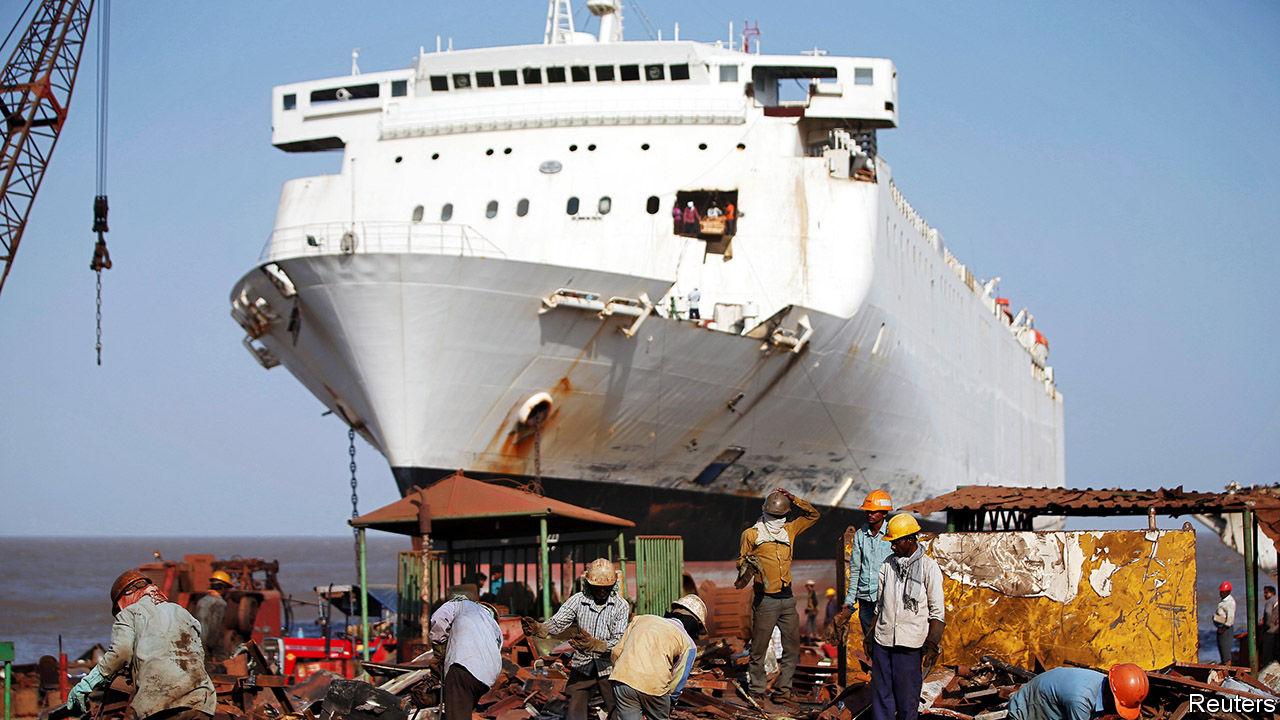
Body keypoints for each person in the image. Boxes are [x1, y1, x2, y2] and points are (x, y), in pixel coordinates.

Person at [66, 570, 215, 720]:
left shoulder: (129, 613)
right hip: (201, 700)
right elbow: (199, 653)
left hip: (163, 703)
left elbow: (121, 653)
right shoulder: (182, 612)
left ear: (124, 599)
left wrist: (88, 683)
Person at [737, 488, 820, 703]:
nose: (776, 520)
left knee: (792, 646)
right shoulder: (752, 534)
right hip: (765, 600)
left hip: (787, 599)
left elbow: (814, 515)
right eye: (773, 516)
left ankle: (783, 690)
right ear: (765, 512)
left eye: (780, 516)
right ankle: (757, 689)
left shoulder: (789, 530)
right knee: (759, 648)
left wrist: (794, 499)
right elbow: (741, 561)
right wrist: (748, 565)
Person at [522, 559, 630, 720]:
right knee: (574, 710)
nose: (602, 591)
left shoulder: (621, 606)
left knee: (618, 710)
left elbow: (620, 640)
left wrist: (597, 645)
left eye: (606, 588)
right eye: (597, 587)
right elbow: (558, 622)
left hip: (609, 667)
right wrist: (541, 628)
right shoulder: (578, 600)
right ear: (589, 584)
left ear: (613, 585)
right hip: (582, 666)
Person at [870, 514, 944, 720]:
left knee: (907, 699)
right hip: (883, 641)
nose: (892, 547)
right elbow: (879, 605)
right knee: (881, 695)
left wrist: (932, 644)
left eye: (896, 542)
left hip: (910, 644)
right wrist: (870, 636)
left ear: (910, 540)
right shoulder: (887, 565)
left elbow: (937, 611)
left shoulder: (929, 567)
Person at [609, 595, 704, 720]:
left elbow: (616, 652)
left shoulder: (641, 619)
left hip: (623, 680)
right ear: (694, 624)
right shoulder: (688, 643)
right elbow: (678, 679)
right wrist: (670, 702)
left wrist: (623, 675)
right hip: (655, 688)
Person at [836, 490, 895, 642]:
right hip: (865, 601)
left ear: (884, 514)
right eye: (868, 511)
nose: (870, 515)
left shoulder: (893, 533)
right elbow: (855, 569)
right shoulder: (860, 535)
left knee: (888, 642)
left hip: (887, 599)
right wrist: (850, 601)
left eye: (874, 512)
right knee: (871, 642)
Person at [430, 597, 503, 720]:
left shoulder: (457, 604)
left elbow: (439, 619)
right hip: (488, 677)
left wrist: (438, 645)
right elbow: (498, 647)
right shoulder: (492, 623)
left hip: (464, 668)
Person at [1007, 664, 1148, 720]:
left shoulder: (1103, 683)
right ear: (1111, 695)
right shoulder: (1080, 700)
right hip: (1025, 712)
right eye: (1117, 708)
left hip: (1050, 704)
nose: (1116, 712)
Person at [193, 570, 232, 661]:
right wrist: (214, 649)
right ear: (223, 588)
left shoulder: (201, 601)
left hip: (197, 642)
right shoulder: (220, 603)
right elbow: (215, 628)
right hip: (208, 644)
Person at [1215, 581, 1236, 665]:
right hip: (1221, 628)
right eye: (1220, 591)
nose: (1221, 593)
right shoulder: (1223, 601)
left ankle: (1227, 670)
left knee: (1225, 652)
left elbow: (1230, 618)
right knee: (1222, 650)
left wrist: (1223, 629)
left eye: (1223, 592)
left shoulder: (1230, 602)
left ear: (1228, 592)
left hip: (1226, 629)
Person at [1262, 585, 1279, 667]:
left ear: (1272, 593)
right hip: (1277, 630)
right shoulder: (1276, 600)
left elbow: (1268, 614)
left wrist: (1268, 625)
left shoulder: (1270, 601)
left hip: (1270, 631)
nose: (1264, 595)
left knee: (1267, 653)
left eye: (1266, 593)